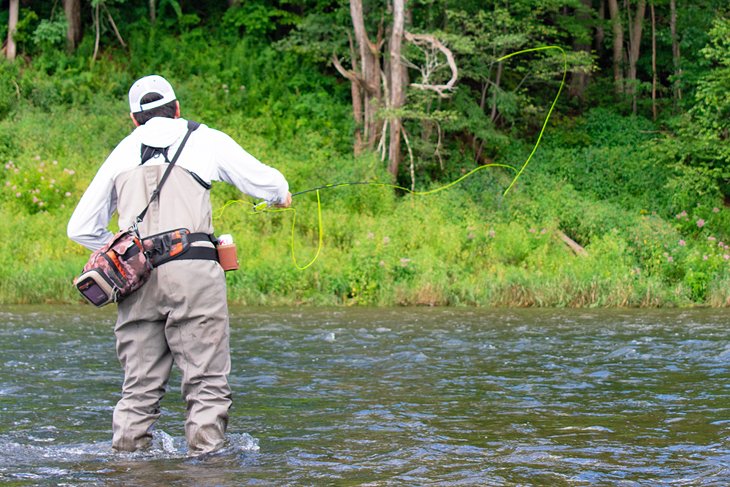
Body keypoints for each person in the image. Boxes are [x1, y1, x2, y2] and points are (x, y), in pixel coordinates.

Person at [67, 74, 291, 455]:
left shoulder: (122, 151)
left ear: (134, 119)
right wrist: (279, 197)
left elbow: (80, 228)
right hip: (193, 273)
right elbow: (267, 183)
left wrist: (124, 250)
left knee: (138, 388)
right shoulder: (205, 138)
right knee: (205, 383)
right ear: (177, 109)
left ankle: (127, 468)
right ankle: (208, 467)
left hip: (136, 282)